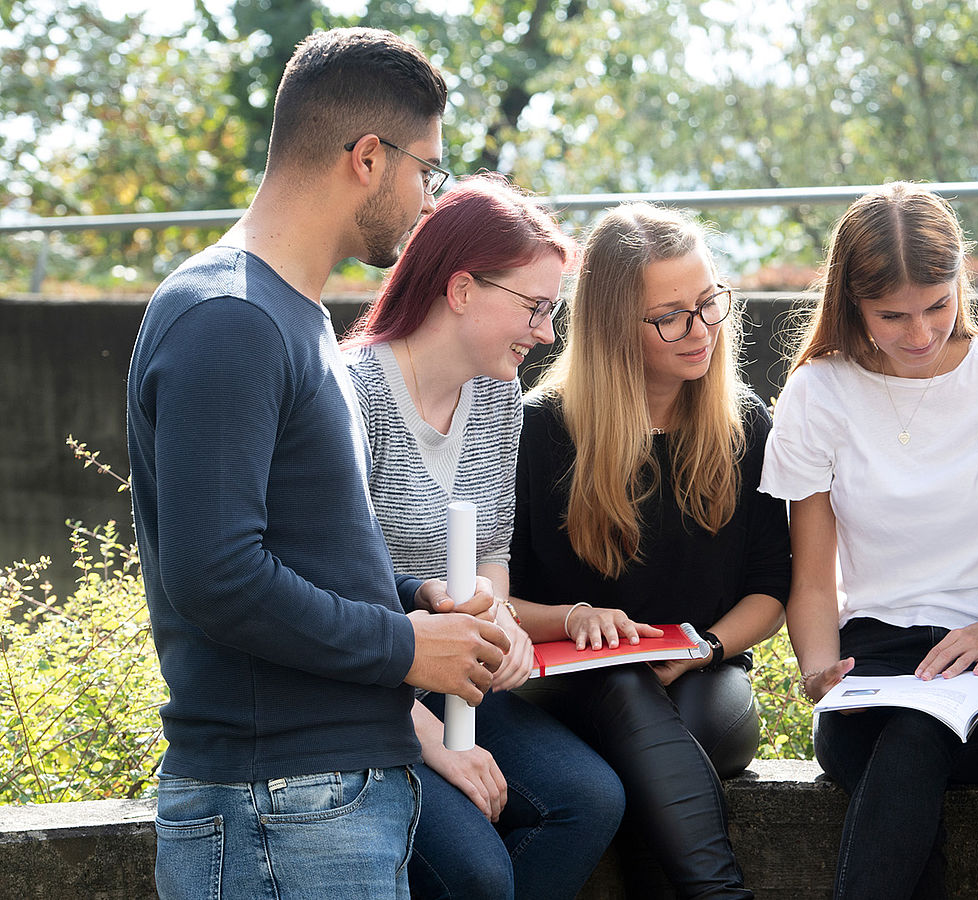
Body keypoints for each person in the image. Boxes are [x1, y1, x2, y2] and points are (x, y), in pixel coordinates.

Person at [127, 28, 511, 900]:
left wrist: (416, 598)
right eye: (429, 171)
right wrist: (406, 645)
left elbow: (299, 542)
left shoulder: (290, 314)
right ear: (369, 157)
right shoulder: (229, 318)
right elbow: (216, 575)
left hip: (317, 802)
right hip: (279, 807)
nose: (429, 199)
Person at [761, 182, 978, 899]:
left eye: (938, 304)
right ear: (852, 302)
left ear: (961, 277)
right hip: (875, 667)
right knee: (903, 732)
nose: (920, 333)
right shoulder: (820, 392)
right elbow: (812, 581)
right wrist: (819, 675)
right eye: (892, 316)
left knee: (912, 739)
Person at [342, 174, 625, 900]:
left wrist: (497, 619)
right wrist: (438, 749)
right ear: (462, 289)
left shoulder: (498, 395)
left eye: (552, 310)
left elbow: (490, 555)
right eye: (534, 307)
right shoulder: (352, 396)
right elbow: (341, 606)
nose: (548, 332)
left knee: (589, 800)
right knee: (475, 870)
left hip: (457, 683)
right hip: (364, 690)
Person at [509, 202, 790, 900]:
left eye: (709, 304)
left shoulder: (745, 423)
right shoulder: (541, 431)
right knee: (623, 686)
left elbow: (770, 589)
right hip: (573, 682)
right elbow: (496, 595)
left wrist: (705, 648)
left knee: (663, 730)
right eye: (671, 316)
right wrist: (574, 616)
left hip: (703, 676)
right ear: (611, 327)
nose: (701, 332)